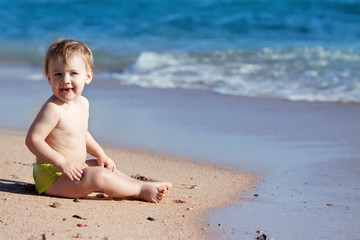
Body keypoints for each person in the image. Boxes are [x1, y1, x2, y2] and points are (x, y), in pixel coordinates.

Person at [25, 38, 171, 203]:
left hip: (74, 169)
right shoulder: (53, 109)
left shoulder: (83, 103)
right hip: (53, 178)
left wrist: (100, 153)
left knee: (102, 166)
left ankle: (138, 184)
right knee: (99, 176)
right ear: (49, 78)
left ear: (88, 76)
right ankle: (140, 190)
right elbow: (33, 140)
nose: (65, 79)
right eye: (58, 74)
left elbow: (81, 133)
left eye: (73, 73)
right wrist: (62, 163)